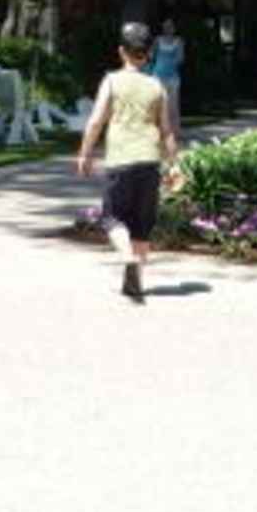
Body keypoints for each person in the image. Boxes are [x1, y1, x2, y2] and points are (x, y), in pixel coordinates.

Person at [76, 21, 182, 304]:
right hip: (150, 162)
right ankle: (136, 283)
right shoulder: (157, 86)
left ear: (121, 52)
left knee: (112, 218)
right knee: (141, 226)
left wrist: (85, 153)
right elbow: (167, 131)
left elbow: (96, 120)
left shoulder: (111, 81)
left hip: (121, 161)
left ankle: (128, 258)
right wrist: (174, 164)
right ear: (148, 54)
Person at [147, 16, 185, 138]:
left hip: (173, 76)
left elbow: (181, 58)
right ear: (163, 28)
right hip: (158, 75)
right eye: (166, 26)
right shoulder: (157, 40)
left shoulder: (179, 41)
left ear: (174, 28)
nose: (168, 28)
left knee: (173, 105)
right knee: (157, 104)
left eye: (170, 26)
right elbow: (151, 55)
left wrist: (170, 59)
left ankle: (174, 132)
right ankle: (156, 131)